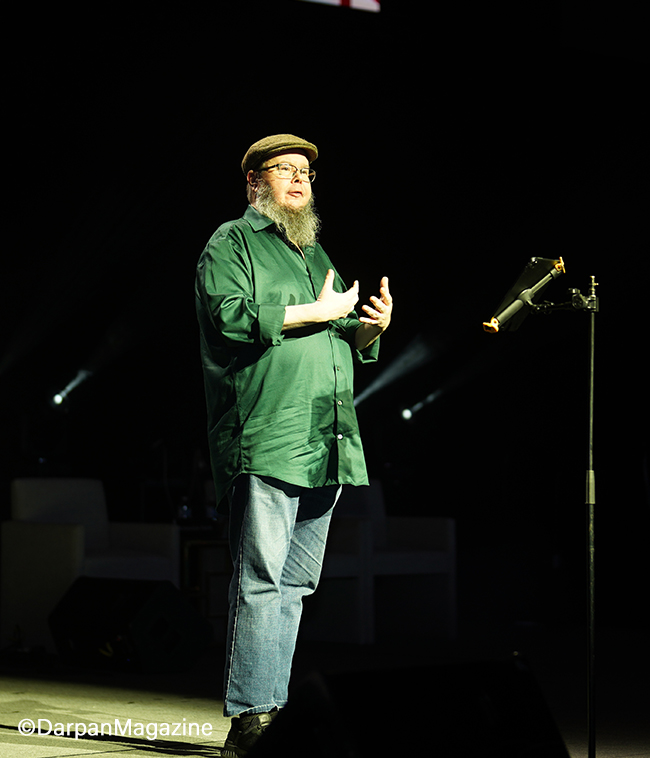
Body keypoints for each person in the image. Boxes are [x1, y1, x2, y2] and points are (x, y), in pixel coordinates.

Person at [195, 134, 392, 757]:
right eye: (285, 169)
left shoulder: (314, 250)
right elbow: (229, 316)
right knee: (261, 578)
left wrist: (368, 328)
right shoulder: (231, 241)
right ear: (255, 182)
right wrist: (317, 311)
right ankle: (250, 718)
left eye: (306, 170)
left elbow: (336, 331)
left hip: (325, 438)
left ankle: (272, 710)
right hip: (268, 432)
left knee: (296, 584)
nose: (301, 179)